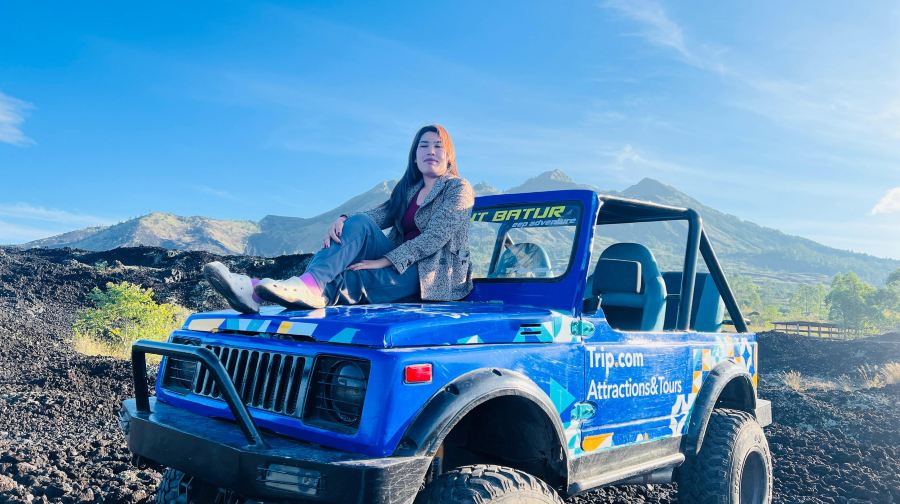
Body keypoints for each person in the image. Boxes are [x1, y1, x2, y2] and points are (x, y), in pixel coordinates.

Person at [203, 124, 474, 313]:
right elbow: (379, 215)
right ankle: (294, 286)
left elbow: (435, 238)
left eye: (438, 146)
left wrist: (385, 260)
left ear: (448, 155)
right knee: (357, 223)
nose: (431, 151)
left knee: (352, 279)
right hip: (399, 262)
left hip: (432, 274)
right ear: (414, 157)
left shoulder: (458, 188)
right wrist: (344, 218)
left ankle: (256, 290)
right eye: (424, 145)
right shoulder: (408, 189)